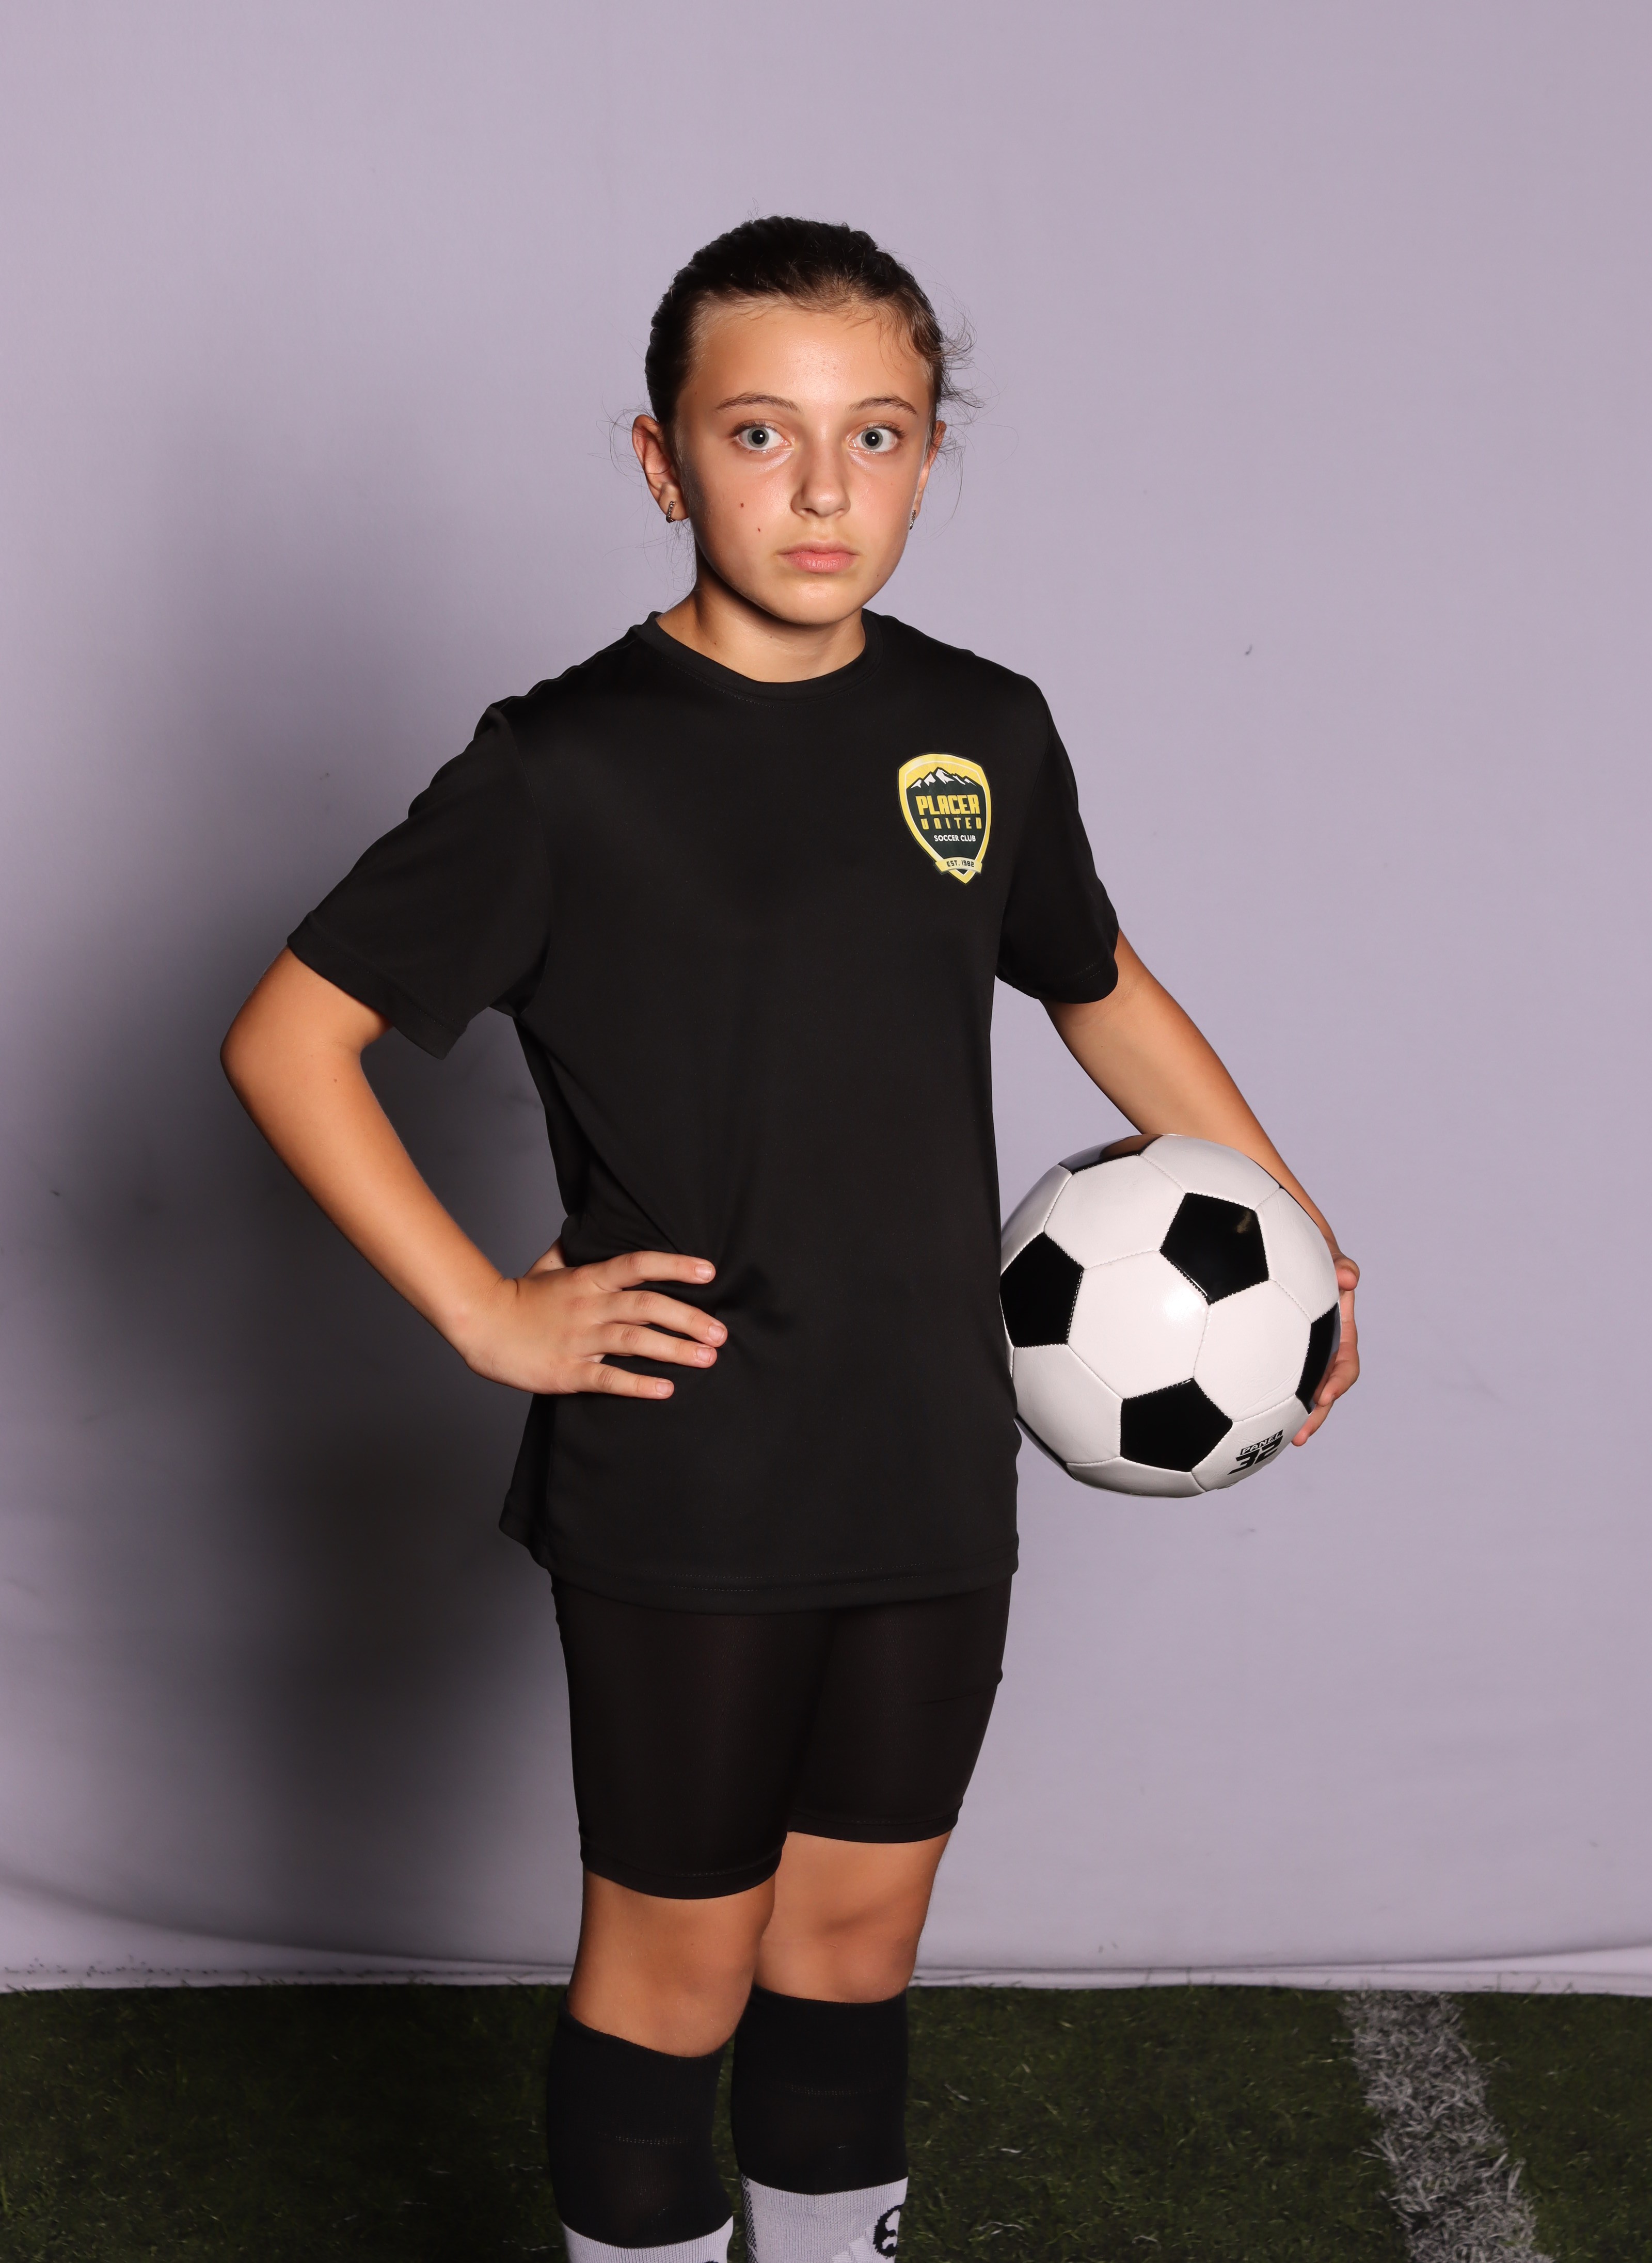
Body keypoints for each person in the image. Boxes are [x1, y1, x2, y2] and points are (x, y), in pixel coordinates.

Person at [223, 216, 1359, 2263]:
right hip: (694, 1472)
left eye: (877, 434)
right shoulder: (560, 766)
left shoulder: (983, 729)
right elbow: (288, 1038)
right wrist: (486, 1314)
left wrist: (1293, 1237)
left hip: (927, 1456)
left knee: (849, 1954)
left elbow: (1095, 983)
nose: (822, 488)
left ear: (930, 457)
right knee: (677, 1973)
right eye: (760, 433)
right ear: (661, 461)